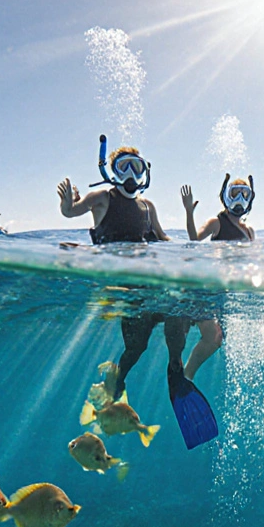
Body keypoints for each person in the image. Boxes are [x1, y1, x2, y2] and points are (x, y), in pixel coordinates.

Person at [56, 136, 218, 449]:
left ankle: (175, 369)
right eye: (123, 167)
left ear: (145, 172)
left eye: (137, 167)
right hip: (124, 287)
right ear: (111, 171)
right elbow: (71, 212)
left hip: (150, 283)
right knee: (137, 346)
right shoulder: (102, 197)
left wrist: (192, 253)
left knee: (177, 308)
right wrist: (66, 205)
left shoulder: (147, 205)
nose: (131, 174)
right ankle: (116, 380)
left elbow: (163, 239)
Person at [180, 174, 256, 241]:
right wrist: (189, 213)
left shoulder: (249, 230)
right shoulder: (216, 223)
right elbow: (194, 240)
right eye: (235, 193)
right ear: (227, 197)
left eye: (245, 194)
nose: (240, 198)